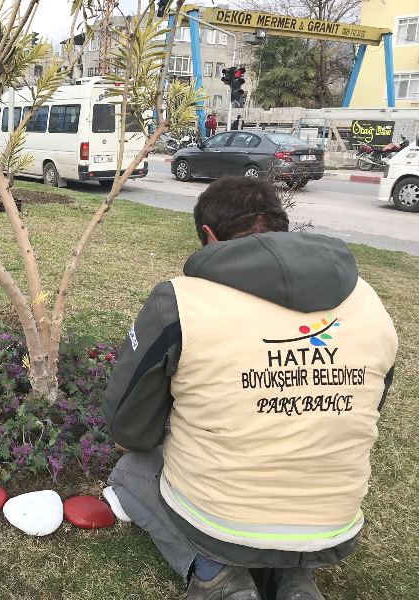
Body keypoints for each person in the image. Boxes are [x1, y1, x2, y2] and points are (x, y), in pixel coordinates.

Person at [102, 176, 398, 600]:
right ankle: (297, 581)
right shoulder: (368, 300)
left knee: (131, 470)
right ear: (282, 227)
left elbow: (129, 430)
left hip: (224, 527)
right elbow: (371, 405)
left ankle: (216, 576)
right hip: (333, 529)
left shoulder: (180, 301)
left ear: (208, 236)